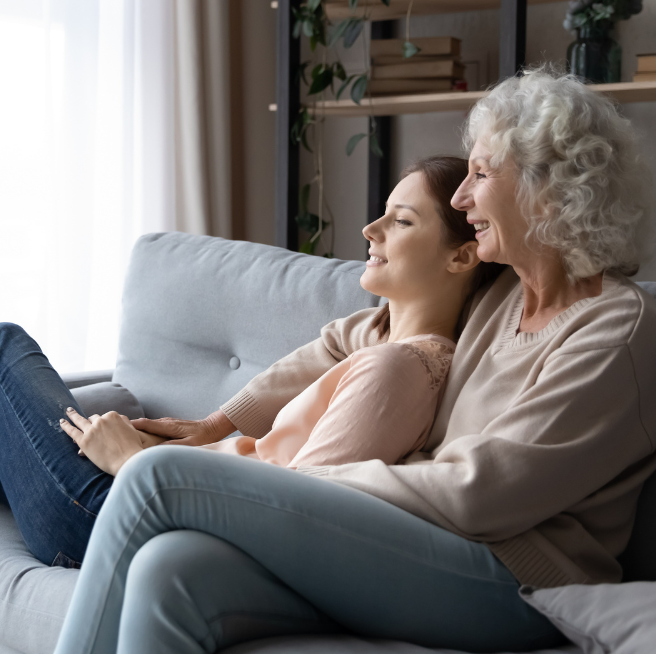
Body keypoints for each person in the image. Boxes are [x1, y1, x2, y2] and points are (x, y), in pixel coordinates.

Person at [51, 63, 656, 654]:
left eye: (482, 175)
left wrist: (298, 484)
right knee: (171, 568)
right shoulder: (502, 291)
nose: (461, 198)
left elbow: (477, 494)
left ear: (549, 190)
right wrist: (219, 424)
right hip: (421, 544)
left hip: (516, 581)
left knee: (154, 474)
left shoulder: (616, 333)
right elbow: (354, 336)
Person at [59, 156, 500, 476]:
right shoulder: (379, 337)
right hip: (167, 480)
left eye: (401, 222)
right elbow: (334, 343)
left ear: (461, 258)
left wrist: (130, 461)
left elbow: (291, 503)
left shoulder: (397, 369)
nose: (369, 231)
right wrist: (215, 425)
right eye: (381, 215)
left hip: (150, 500)